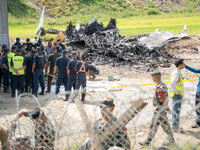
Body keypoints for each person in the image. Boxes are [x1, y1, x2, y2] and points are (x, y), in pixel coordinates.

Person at [139, 71, 175, 146]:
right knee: (156, 126)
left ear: (155, 78)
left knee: (162, 126)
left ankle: (148, 141)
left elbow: (162, 99)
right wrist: (167, 108)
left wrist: (160, 110)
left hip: (159, 111)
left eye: (152, 77)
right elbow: (165, 99)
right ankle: (149, 141)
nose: (152, 79)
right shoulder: (163, 85)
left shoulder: (159, 87)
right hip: (161, 110)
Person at [168, 59, 185, 133]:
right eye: (183, 63)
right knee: (176, 111)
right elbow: (172, 83)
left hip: (175, 94)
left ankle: (176, 125)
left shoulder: (176, 72)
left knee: (176, 110)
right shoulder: (177, 73)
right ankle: (175, 127)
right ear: (180, 64)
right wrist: (177, 92)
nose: (184, 65)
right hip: (176, 95)